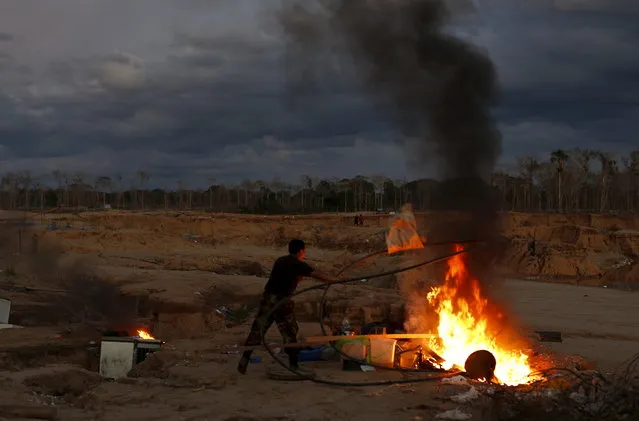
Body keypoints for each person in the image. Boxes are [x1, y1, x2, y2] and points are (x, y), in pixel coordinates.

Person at [238, 239, 340, 375]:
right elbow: (317, 274)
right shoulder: (298, 264)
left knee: (258, 329)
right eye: (304, 251)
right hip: (281, 302)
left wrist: (297, 278)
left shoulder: (280, 261)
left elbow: (284, 277)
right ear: (300, 251)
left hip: (268, 299)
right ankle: (293, 365)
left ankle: (245, 359)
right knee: (291, 332)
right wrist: (336, 280)